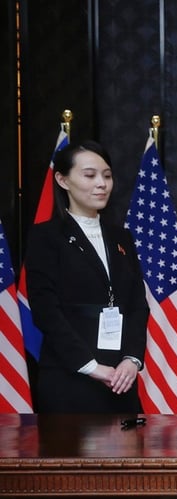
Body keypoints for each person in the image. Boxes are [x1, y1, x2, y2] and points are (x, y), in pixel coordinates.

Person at [24, 140, 148, 413]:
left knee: (130, 442)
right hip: (69, 379)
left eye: (107, 176)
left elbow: (138, 305)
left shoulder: (122, 237)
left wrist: (132, 359)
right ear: (63, 180)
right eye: (90, 175)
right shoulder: (46, 237)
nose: (101, 184)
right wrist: (90, 367)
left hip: (120, 379)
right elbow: (46, 311)